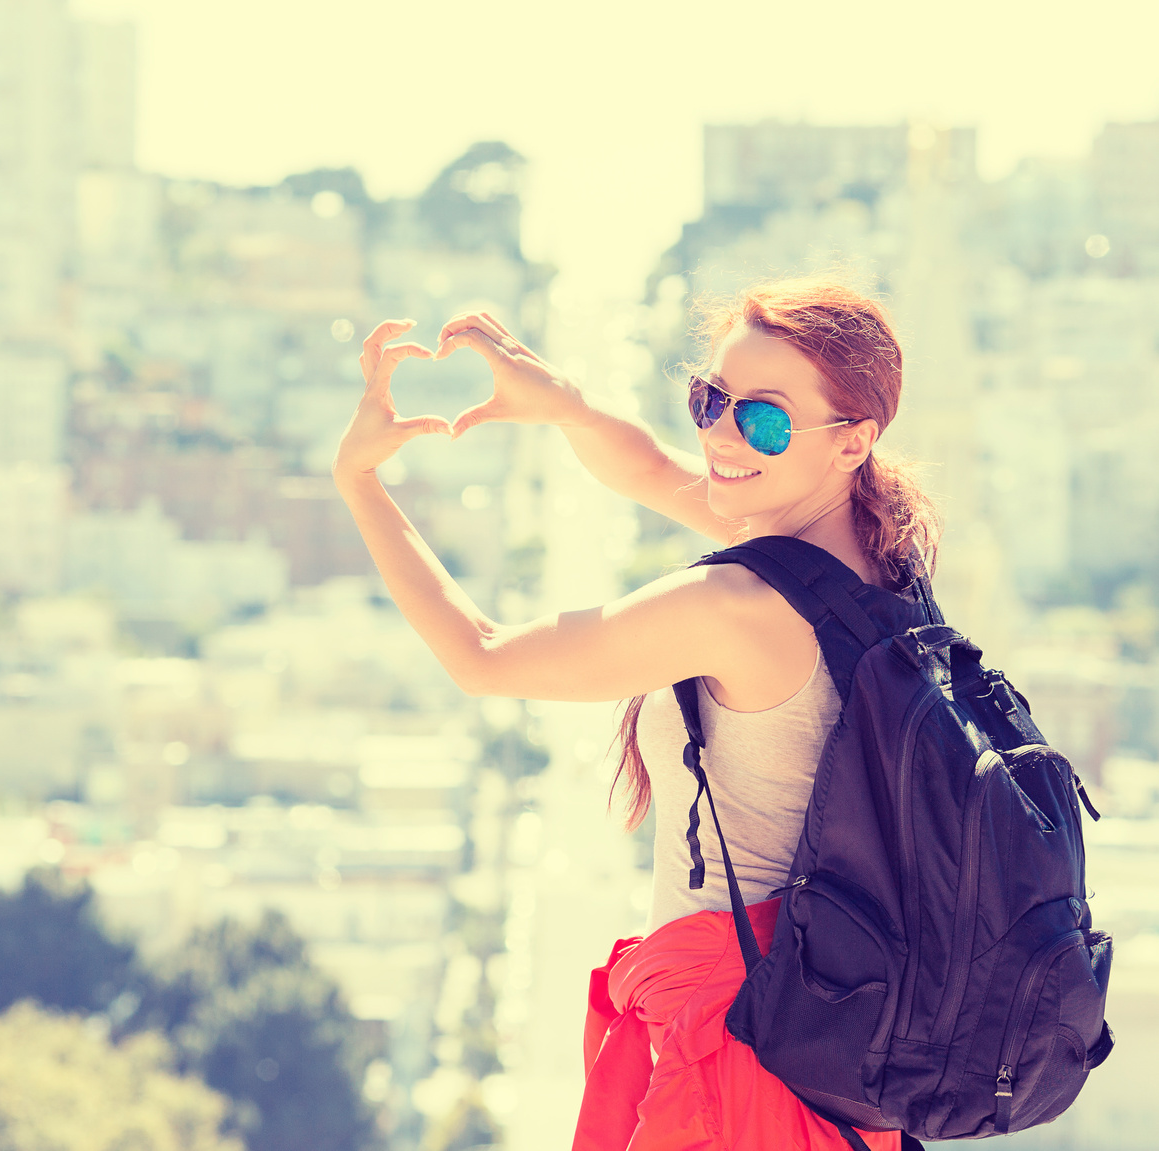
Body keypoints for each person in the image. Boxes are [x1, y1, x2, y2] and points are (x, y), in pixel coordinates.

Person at [331, 278, 941, 1150]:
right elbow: (656, 470)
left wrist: (359, 483)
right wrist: (566, 409)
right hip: (832, 1055)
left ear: (853, 441)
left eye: (762, 419)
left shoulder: (738, 607)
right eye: (709, 400)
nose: (721, 437)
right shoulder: (877, 561)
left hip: (733, 1073)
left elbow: (482, 654)